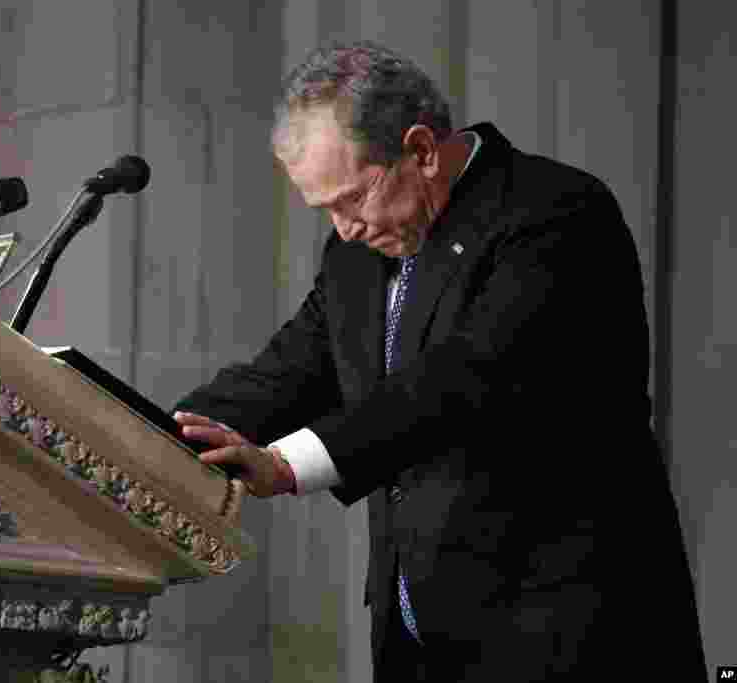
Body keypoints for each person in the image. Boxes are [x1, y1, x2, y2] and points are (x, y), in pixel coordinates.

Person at [172, 41, 707, 681]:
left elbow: (462, 380)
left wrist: (285, 466)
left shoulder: (554, 212)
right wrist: (152, 433)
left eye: (352, 200)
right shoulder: (356, 255)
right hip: (422, 642)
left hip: (565, 629)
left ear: (423, 151)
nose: (343, 228)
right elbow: (287, 370)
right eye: (326, 211)